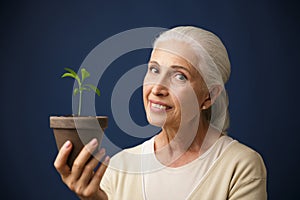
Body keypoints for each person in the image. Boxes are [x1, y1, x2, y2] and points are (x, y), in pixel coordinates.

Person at [54, 26, 267, 200]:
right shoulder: (121, 166)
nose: (157, 88)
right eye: (154, 70)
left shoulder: (240, 166)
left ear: (209, 97)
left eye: (179, 76)